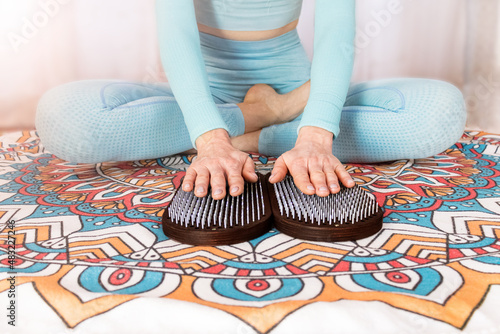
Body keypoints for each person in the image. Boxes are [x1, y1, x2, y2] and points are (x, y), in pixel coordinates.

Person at [35, 0, 466, 201]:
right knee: (64, 119)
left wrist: (316, 136)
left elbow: (337, 35)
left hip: (302, 92)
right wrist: (210, 137)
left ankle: (247, 136)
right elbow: (177, 38)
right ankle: (262, 117)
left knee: (437, 112)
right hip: (208, 97)